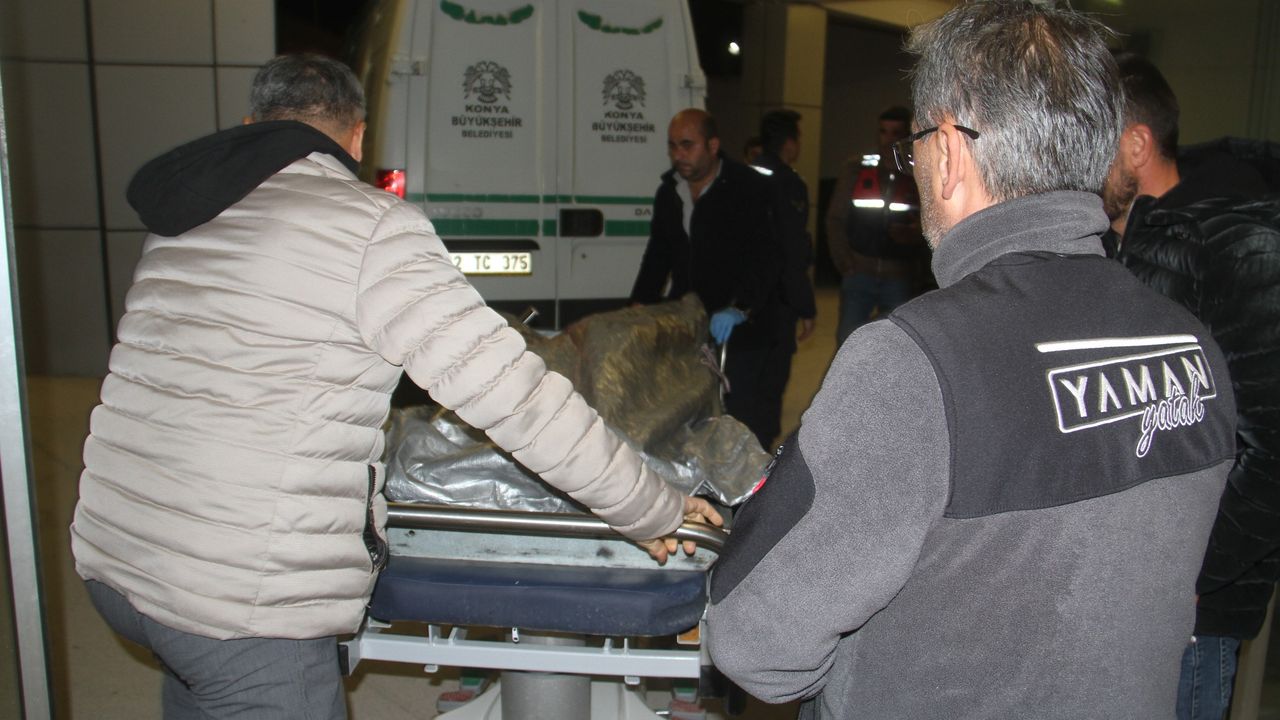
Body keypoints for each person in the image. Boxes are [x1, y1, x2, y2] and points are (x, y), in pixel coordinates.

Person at [70, 54, 720, 720]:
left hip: (120, 556)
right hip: (239, 598)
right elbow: (516, 398)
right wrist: (651, 506)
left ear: (250, 125)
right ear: (357, 137)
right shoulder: (369, 228)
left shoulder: (187, 218)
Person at [705, 2, 1238, 718]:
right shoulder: (1191, 347)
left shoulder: (913, 367)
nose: (915, 169)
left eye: (916, 147)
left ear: (950, 149)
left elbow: (755, 641)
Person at [1103, 53, 1280, 720]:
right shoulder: (1106, 249)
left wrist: (1194, 574)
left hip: (1190, 615)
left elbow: (1273, 449)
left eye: (1089, 138)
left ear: (1137, 144)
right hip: (1111, 593)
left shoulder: (1242, 245)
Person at [630, 108, 786, 449]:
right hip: (690, 322)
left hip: (743, 327)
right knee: (691, 411)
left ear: (713, 145)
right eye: (673, 146)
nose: (678, 155)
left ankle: (753, 478)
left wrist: (741, 307)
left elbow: (767, 257)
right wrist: (640, 304)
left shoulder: (749, 188)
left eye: (687, 145)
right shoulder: (670, 192)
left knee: (742, 415)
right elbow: (658, 253)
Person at [825, 106, 926, 345]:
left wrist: (914, 235)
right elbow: (835, 218)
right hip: (859, 272)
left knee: (897, 345)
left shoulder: (918, 173)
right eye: (883, 132)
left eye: (895, 133)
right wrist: (844, 262)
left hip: (899, 276)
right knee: (848, 342)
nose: (888, 139)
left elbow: (931, 224)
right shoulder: (857, 169)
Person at [749, 109, 817, 357]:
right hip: (776, 300)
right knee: (772, 371)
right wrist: (805, 306)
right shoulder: (788, 184)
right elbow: (792, 249)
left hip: (743, 297)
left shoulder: (741, 176)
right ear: (789, 143)